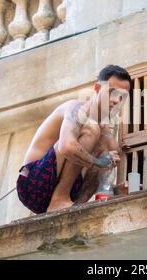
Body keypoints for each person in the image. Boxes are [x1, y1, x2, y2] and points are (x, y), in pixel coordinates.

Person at [16, 65, 131, 214]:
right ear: (97, 88)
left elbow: (100, 167)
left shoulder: (104, 129)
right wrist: (98, 162)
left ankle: (75, 206)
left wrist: (114, 190)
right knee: (91, 128)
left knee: (110, 146)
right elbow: (66, 146)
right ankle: (59, 199)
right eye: (111, 92)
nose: (116, 100)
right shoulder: (76, 108)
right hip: (34, 183)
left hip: (67, 189)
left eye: (122, 96)